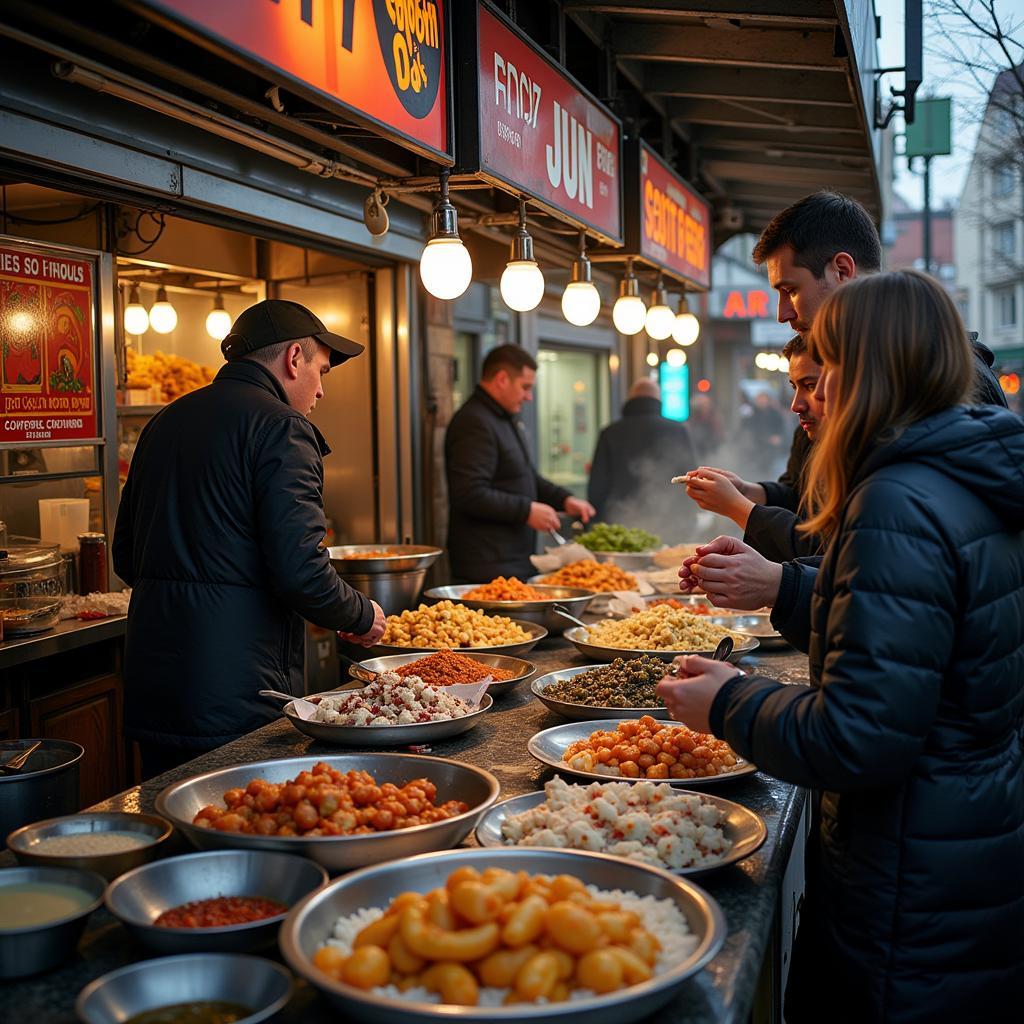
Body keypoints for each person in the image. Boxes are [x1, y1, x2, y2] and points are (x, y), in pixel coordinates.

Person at [658, 271, 1024, 1022]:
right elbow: (916, 635)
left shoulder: (898, 498)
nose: (808, 403)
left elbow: (859, 739)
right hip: (962, 844)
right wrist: (792, 592)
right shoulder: (964, 476)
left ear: (869, 372)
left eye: (824, 376)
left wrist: (728, 699)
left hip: (907, 881)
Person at [113, 300, 386, 779]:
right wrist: (361, 614)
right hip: (234, 693)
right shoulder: (283, 428)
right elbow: (300, 568)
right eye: (321, 371)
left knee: (169, 824)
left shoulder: (163, 422)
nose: (320, 390)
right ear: (294, 358)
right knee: (236, 821)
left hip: (154, 687)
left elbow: (125, 557)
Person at [444, 344, 594, 582]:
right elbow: (469, 493)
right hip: (486, 565)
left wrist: (564, 499)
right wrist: (526, 511)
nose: (529, 397)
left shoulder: (504, 418)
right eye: (525, 387)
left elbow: (525, 476)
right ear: (502, 379)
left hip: (511, 559)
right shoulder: (474, 422)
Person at [685, 334, 823, 562]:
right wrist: (746, 491)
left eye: (810, 385)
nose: (795, 405)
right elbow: (796, 494)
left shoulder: (871, 454)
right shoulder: (807, 433)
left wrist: (737, 507)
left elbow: (827, 554)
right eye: (794, 387)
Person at [587, 378, 697, 541]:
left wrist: (596, 525)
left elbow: (597, 486)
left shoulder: (610, 433)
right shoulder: (677, 430)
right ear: (658, 401)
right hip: (672, 525)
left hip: (622, 527)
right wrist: (689, 518)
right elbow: (691, 478)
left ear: (630, 400)